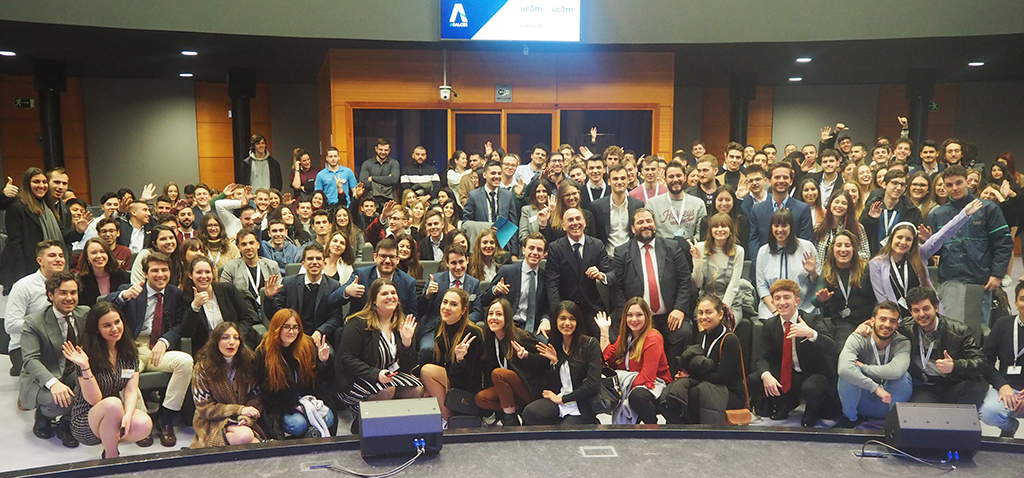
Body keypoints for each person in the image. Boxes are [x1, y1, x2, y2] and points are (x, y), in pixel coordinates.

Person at [106, 252, 192, 447]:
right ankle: (142, 420)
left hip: (157, 350)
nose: (160, 274)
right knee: (125, 374)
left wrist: (165, 340)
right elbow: (102, 307)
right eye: (155, 270)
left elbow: (179, 325)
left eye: (164, 270)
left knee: (185, 362)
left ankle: (166, 418)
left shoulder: (175, 294)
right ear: (145, 273)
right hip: (131, 352)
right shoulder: (131, 290)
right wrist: (122, 297)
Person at [62, 302, 152, 458]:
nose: (115, 329)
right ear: (97, 329)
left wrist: (128, 414)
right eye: (107, 325)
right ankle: (112, 456)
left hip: (114, 415)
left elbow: (131, 389)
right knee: (113, 403)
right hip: (87, 419)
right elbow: (94, 400)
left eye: (117, 322)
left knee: (144, 423)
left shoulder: (128, 352)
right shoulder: (86, 354)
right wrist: (85, 366)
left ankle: (109, 443)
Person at [334, 278, 423, 434]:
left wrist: (407, 343)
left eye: (393, 293)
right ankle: (363, 422)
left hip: (386, 376)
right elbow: (346, 359)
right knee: (387, 390)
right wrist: (376, 374)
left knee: (416, 389)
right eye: (384, 294)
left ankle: (393, 425)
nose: (390, 297)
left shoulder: (401, 324)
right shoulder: (358, 323)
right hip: (354, 380)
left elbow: (407, 367)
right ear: (374, 300)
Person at [927, 165, 1013, 327]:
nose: (954, 188)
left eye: (958, 183)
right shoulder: (937, 215)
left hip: (981, 280)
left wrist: (997, 274)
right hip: (950, 280)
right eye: (949, 185)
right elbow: (937, 252)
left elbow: (1003, 243)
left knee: (977, 329)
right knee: (950, 329)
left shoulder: (988, 209)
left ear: (967, 182)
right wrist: (929, 241)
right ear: (944, 186)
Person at [869, 200, 982, 320]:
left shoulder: (920, 254)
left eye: (908, 239)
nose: (903, 242)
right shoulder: (877, 263)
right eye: (899, 237)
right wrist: (897, 322)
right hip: (897, 320)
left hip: (925, 317)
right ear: (891, 239)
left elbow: (943, 235)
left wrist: (964, 214)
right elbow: (882, 298)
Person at [748, 279, 839, 427]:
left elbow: (832, 347)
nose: (782, 302)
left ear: (796, 301)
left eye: (786, 297)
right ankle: (786, 402)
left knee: (812, 387)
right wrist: (766, 375)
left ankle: (811, 413)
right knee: (755, 378)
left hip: (811, 373)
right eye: (777, 298)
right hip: (786, 372)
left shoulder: (812, 319)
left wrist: (811, 334)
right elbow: (762, 357)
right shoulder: (770, 325)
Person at [886, 287, 991, 407]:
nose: (921, 314)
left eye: (926, 309)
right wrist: (867, 327)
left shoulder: (959, 330)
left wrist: (955, 366)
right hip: (924, 386)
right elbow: (883, 331)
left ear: (936, 307)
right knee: (919, 415)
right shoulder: (905, 328)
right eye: (916, 310)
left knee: (973, 389)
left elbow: (982, 364)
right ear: (910, 311)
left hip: (953, 383)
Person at [611, 208, 692, 361]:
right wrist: (631, 316)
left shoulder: (672, 247)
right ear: (633, 229)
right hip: (637, 317)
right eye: (640, 222)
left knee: (684, 333)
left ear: (655, 225)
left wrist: (679, 309)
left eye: (649, 221)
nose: (645, 225)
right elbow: (617, 288)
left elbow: (684, 280)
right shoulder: (622, 252)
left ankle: (673, 379)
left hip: (669, 315)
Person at [20, 272, 88, 448]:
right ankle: (44, 415)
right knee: (59, 402)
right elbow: (30, 359)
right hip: (44, 374)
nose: (69, 297)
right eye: (63, 292)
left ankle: (66, 423)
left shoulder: (85, 314)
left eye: (73, 293)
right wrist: (53, 383)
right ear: (51, 295)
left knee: (94, 389)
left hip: (73, 370)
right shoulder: (33, 322)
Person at [661, 294, 746, 424]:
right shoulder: (701, 336)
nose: (703, 317)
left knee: (692, 393)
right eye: (700, 313)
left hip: (730, 392)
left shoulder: (730, 340)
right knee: (674, 390)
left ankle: (698, 433)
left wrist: (690, 377)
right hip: (707, 386)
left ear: (720, 314)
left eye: (708, 312)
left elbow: (722, 377)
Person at [254, 309, 334, 439]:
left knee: (328, 418)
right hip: (281, 404)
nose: (291, 332)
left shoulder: (306, 345)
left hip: (306, 398)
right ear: (277, 328)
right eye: (286, 327)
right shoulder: (264, 352)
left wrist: (323, 362)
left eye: (295, 327)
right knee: (298, 424)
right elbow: (267, 392)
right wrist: (296, 406)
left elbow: (322, 381)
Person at [522, 301, 602, 425]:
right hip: (559, 400)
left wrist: (562, 399)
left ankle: (591, 423)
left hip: (579, 405)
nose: (567, 323)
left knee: (564, 431)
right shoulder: (556, 344)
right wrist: (529, 356)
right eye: (562, 318)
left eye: (572, 319)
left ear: (578, 322)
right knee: (530, 412)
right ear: (556, 321)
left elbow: (592, 385)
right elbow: (547, 370)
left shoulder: (590, 344)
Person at [833, 301, 912, 429]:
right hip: (861, 400)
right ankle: (850, 418)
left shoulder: (902, 342)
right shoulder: (858, 337)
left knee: (903, 377)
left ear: (897, 325)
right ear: (872, 321)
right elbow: (843, 369)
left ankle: (893, 421)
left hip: (888, 400)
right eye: (883, 319)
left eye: (892, 321)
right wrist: (875, 388)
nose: (887, 325)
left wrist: (863, 367)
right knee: (847, 374)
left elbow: (896, 371)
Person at [474, 299, 549, 426]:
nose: (493, 318)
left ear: (507, 317)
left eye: (499, 314)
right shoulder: (490, 340)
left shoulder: (521, 337)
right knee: (481, 398)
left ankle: (510, 418)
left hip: (529, 387)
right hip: (508, 389)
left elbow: (545, 362)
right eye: (490, 314)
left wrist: (527, 356)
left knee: (498, 373)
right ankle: (514, 410)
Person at [190, 321, 265, 447]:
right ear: (216, 341)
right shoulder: (202, 367)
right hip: (212, 420)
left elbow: (256, 396)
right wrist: (238, 409)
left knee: (253, 442)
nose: (231, 342)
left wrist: (245, 417)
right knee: (245, 437)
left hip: (242, 419)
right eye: (225, 337)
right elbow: (204, 408)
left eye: (236, 338)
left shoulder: (248, 362)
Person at [597, 298, 671, 425]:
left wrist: (620, 390)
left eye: (639, 315)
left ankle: (652, 425)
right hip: (630, 384)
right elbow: (607, 360)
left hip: (654, 384)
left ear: (647, 317)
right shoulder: (625, 337)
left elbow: (647, 377)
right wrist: (604, 330)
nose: (634, 319)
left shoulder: (653, 338)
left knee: (636, 396)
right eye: (630, 315)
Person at [420, 288, 484, 426]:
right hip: (450, 377)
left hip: (467, 386)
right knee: (423, 390)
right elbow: (438, 361)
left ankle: (448, 420)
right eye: (445, 302)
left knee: (427, 371)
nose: (447, 308)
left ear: (463, 310)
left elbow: (468, 378)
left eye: (454, 304)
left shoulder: (473, 333)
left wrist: (460, 360)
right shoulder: (440, 326)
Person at [546, 207, 612, 338]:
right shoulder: (555, 248)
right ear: (564, 226)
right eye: (570, 220)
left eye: (578, 219)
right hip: (567, 308)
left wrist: (601, 275)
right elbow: (551, 283)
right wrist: (558, 312)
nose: (575, 223)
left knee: (608, 339)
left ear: (584, 222)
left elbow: (611, 275)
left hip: (592, 308)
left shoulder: (597, 245)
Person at [6, 241, 67, 378]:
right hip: (25, 347)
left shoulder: (68, 284)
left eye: (61, 255)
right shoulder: (24, 286)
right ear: (40, 261)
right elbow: (10, 325)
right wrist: (46, 327)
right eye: (52, 255)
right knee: (45, 381)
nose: (58, 259)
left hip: (59, 344)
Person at [0, 168, 66, 295]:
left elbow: (64, 235)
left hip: (44, 269)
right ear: (27, 184)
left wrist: (79, 231)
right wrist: (21, 279)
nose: (41, 185)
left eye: (44, 182)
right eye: (36, 182)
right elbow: (15, 245)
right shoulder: (17, 207)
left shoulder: (49, 208)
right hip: (23, 269)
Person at [262, 243, 343, 344]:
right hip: (291, 337)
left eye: (318, 258)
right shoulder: (288, 283)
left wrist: (320, 332)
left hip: (319, 338)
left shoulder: (334, 286)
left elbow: (336, 318)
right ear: (303, 263)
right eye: (310, 259)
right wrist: (270, 298)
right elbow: (275, 316)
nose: (314, 262)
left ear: (324, 263)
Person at [418, 245, 483, 363]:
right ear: (447, 263)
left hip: (462, 330)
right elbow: (421, 310)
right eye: (453, 263)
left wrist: (459, 320)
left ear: (467, 260)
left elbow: (478, 312)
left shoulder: (474, 283)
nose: (458, 267)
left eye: (461, 262)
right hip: (435, 330)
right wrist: (427, 296)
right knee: (427, 349)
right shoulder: (434, 279)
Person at [181, 256, 260, 350]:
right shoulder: (186, 297)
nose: (203, 276)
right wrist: (195, 307)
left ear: (213, 273)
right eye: (199, 272)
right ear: (190, 275)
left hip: (235, 344)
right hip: (208, 349)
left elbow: (247, 318)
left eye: (207, 272)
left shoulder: (227, 289)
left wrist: (236, 337)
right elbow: (186, 332)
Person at [812, 231, 874, 350]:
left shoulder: (867, 268)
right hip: (843, 322)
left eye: (847, 245)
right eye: (839, 245)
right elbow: (814, 300)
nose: (843, 249)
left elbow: (878, 297)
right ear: (832, 249)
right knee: (843, 352)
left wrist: (873, 320)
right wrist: (820, 299)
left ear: (854, 249)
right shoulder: (827, 271)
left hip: (869, 320)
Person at [481, 232, 550, 337]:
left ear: (544, 254)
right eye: (531, 248)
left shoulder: (545, 277)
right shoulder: (507, 271)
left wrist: (545, 320)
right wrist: (495, 290)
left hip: (534, 329)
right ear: (523, 250)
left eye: (539, 250)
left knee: (543, 346)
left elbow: (546, 306)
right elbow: (484, 300)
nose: (535, 252)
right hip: (509, 326)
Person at [334, 239, 419, 324]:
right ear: (375, 257)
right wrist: (347, 291)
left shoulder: (408, 282)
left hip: (392, 328)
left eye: (392, 257)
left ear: (398, 259)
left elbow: (412, 314)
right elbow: (332, 301)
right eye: (383, 256)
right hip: (361, 327)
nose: (387, 261)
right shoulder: (360, 275)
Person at [755, 209, 818, 319]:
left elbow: (817, 282)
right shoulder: (763, 251)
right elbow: (762, 286)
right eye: (776, 226)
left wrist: (812, 272)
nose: (780, 230)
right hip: (772, 311)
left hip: (803, 308)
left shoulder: (807, 247)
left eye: (784, 226)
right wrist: (775, 311)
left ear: (791, 227)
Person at [979, 282, 1024, 438]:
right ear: (1016, 303)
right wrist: (1002, 385)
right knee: (988, 412)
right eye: (1023, 299)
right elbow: (985, 361)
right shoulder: (1003, 324)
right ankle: (1009, 427)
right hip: (1006, 388)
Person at [690, 213, 746, 321]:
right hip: (706, 302)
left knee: (722, 325)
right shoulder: (701, 247)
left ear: (730, 230)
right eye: (716, 226)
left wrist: (723, 309)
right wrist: (697, 260)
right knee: (705, 325)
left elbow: (733, 286)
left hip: (731, 303)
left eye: (724, 226)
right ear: (710, 230)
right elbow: (698, 283)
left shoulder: (738, 251)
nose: (720, 229)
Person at [220, 229, 280, 320]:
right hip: (244, 313)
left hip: (269, 310)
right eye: (244, 244)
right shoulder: (231, 266)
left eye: (251, 243)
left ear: (258, 245)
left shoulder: (272, 265)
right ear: (238, 247)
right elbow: (223, 293)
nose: (248, 247)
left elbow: (281, 292)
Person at [858, 170, 922, 256]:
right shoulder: (872, 207)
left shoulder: (912, 211)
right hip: (874, 258)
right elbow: (861, 236)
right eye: (894, 183)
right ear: (884, 184)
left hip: (900, 260)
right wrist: (870, 219)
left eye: (902, 185)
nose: (899, 188)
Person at [464, 160, 520, 255]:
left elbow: (513, 224)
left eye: (499, 173)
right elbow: (466, 223)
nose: (497, 177)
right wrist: (487, 227)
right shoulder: (474, 195)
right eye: (493, 173)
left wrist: (514, 253)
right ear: (485, 175)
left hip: (503, 247)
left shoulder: (508, 195)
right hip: (482, 246)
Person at [590, 164, 643, 256]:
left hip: (631, 257)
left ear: (627, 180)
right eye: (615, 179)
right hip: (607, 258)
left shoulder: (638, 205)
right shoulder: (597, 206)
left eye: (623, 178)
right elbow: (595, 237)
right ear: (609, 182)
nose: (619, 182)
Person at [647, 160, 707, 241]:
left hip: (690, 250)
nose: (675, 180)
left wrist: (689, 244)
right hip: (663, 250)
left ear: (685, 177)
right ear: (665, 179)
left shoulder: (698, 204)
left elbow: (701, 233)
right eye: (671, 176)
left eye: (679, 175)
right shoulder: (652, 204)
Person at [813, 191, 870, 274]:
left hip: (848, 274)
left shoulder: (857, 228)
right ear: (830, 204)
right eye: (836, 202)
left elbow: (866, 255)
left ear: (849, 207)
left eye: (844, 203)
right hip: (823, 274)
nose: (839, 206)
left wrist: (846, 255)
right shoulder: (818, 228)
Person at [78, 238, 132, 307]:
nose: (99, 256)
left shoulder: (123, 276)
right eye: (94, 253)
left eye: (102, 251)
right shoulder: (80, 280)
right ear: (87, 257)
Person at [360, 138, 401, 208]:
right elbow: (363, 182)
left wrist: (373, 178)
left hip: (390, 201)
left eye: (386, 150)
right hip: (371, 202)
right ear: (376, 149)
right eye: (380, 149)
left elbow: (394, 180)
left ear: (389, 150)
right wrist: (387, 181)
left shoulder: (394, 163)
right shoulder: (367, 163)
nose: (383, 152)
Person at [518, 178, 553, 243]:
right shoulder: (526, 210)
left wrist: (552, 212)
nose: (541, 194)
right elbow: (523, 235)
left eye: (544, 191)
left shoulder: (554, 210)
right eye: (538, 191)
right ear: (534, 194)